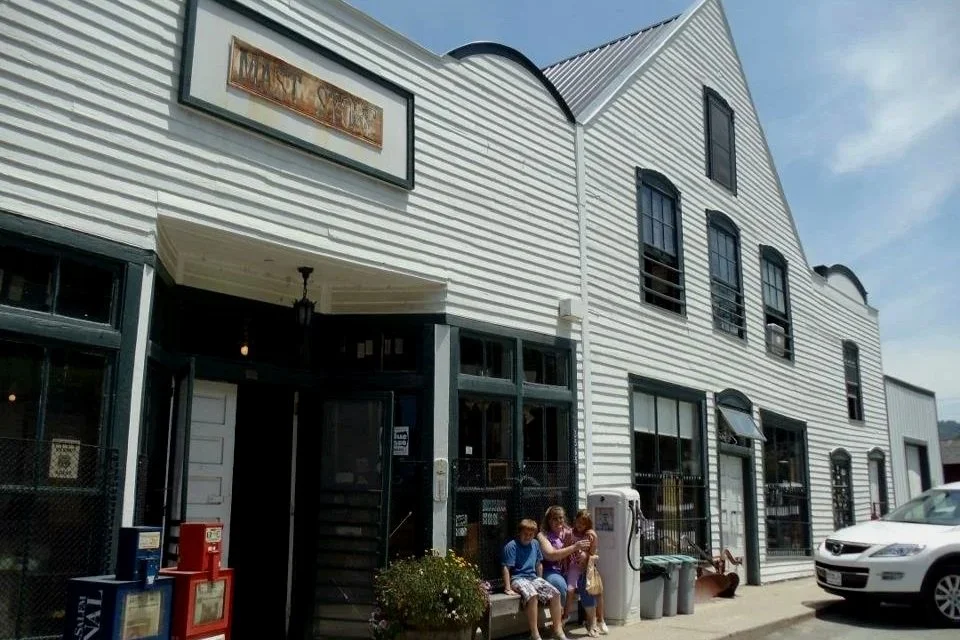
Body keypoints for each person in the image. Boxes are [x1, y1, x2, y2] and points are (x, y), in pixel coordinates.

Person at [502, 519, 570, 640]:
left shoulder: (535, 544)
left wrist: (540, 580)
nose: (528, 537)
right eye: (525, 534)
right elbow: (506, 567)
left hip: (533, 578)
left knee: (555, 593)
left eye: (530, 534)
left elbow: (539, 563)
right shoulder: (511, 546)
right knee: (532, 596)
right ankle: (535, 634)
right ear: (519, 533)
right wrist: (507, 587)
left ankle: (558, 630)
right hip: (518, 578)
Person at [536, 506, 593, 623]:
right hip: (551, 570)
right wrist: (574, 547)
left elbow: (586, 536)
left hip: (568, 569)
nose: (558, 521)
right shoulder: (543, 535)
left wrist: (591, 535)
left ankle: (592, 622)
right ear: (548, 521)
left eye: (561, 518)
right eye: (554, 519)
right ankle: (559, 622)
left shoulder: (569, 531)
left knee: (586, 583)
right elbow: (551, 555)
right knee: (560, 585)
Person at [566, 509, 608, 636]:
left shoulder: (590, 534)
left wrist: (587, 555)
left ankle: (600, 620)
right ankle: (568, 616)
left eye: (583, 524)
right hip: (573, 567)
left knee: (598, 591)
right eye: (578, 522)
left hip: (587, 568)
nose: (579, 525)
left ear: (588, 525)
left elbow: (593, 553)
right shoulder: (571, 532)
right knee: (575, 589)